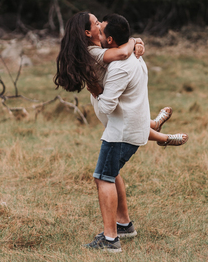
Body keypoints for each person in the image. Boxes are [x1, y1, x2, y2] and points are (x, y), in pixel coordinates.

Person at [54, 11, 187, 146]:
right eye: (96, 23)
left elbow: (117, 46)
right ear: (88, 33)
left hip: (110, 92)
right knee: (128, 124)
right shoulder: (92, 52)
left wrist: (135, 43)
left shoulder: (96, 46)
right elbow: (122, 53)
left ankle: (155, 124)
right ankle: (164, 138)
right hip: (103, 98)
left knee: (131, 119)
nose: (100, 23)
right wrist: (134, 40)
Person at [78, 14, 149, 253]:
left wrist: (95, 89)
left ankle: (110, 240)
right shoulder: (135, 58)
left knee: (103, 178)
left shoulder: (120, 65)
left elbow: (108, 106)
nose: (97, 29)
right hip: (128, 129)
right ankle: (124, 225)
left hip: (120, 133)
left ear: (109, 39)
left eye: (101, 28)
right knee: (110, 173)